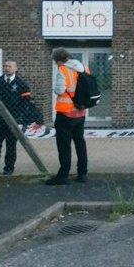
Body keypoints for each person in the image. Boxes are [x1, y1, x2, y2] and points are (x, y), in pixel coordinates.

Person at [46, 47, 88, 185]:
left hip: (65, 114)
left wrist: (56, 88)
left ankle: (63, 175)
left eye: (55, 61)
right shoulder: (83, 68)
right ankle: (82, 174)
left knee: (64, 145)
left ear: (58, 60)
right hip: (80, 113)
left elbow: (60, 90)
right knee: (80, 142)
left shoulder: (63, 70)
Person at [0, 60, 34, 176]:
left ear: (15, 68)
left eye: (9, 66)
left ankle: (8, 168)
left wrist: (21, 120)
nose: (7, 68)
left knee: (11, 146)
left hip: (13, 120)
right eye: (5, 66)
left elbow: (26, 103)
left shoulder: (21, 84)